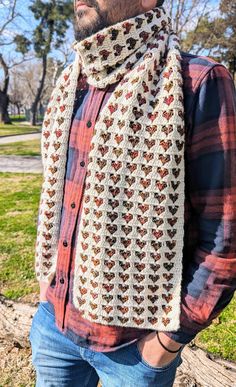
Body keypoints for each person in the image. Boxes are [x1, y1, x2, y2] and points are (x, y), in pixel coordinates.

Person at [29, 0, 236, 386]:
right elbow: (57, 199)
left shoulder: (197, 81)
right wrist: (47, 290)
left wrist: (167, 342)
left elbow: (226, 234)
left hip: (135, 348)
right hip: (54, 325)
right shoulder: (72, 81)